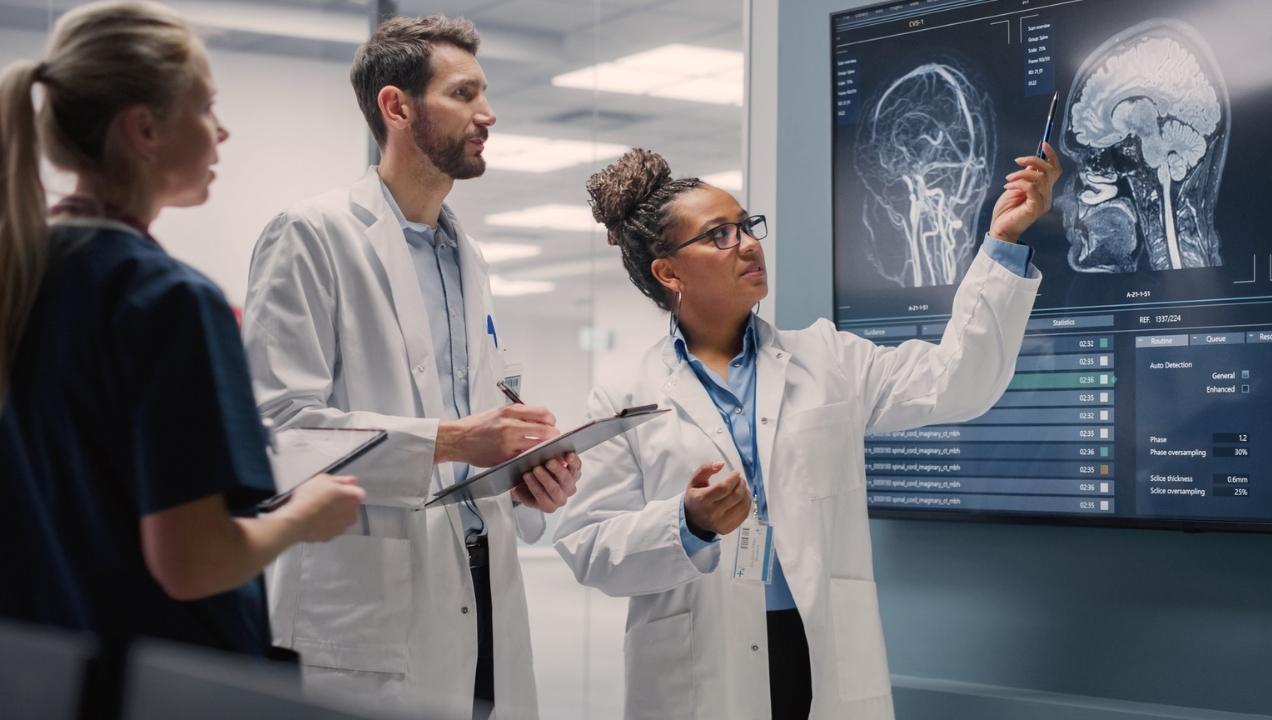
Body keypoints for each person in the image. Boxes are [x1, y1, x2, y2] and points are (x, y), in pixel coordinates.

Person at [554, 145, 1061, 720]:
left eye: (747, 226)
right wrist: (686, 523)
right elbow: (588, 546)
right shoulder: (625, 395)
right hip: (700, 662)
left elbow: (962, 381)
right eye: (719, 234)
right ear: (669, 272)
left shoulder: (828, 359)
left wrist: (1002, 243)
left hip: (818, 650)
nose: (747, 243)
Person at [0, 0, 364, 658]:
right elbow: (193, 562)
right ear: (144, 129)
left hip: (38, 674)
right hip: (154, 680)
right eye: (205, 107)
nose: (220, 134)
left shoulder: (21, 277)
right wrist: (302, 519)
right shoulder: (169, 303)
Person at [242, 16, 581, 719]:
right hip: (373, 604)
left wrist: (524, 475)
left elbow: (473, 434)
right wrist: (455, 440)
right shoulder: (312, 235)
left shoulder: (469, 257)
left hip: (481, 587)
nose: (487, 115)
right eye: (464, 94)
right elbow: (278, 430)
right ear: (397, 107)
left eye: (484, 94)